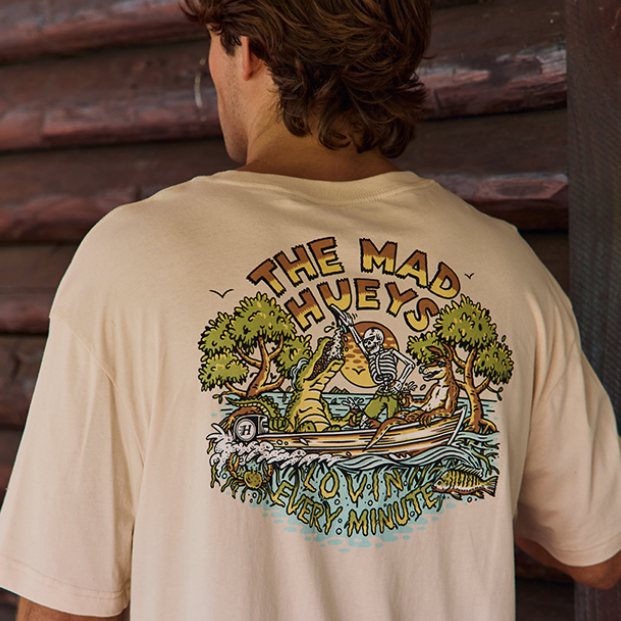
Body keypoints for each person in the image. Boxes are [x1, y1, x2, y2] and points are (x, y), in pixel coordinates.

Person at [1, 0, 621, 619]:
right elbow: (598, 554)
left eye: (213, 42)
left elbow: (62, 604)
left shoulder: (130, 260)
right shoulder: (509, 268)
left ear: (249, 51)